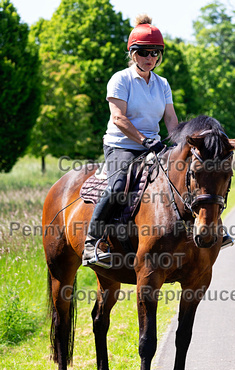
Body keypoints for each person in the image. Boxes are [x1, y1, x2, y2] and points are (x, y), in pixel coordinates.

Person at [82, 14, 178, 267]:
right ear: (133, 53)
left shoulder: (163, 83)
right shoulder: (120, 79)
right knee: (117, 187)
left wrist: (178, 144)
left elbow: (170, 118)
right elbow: (118, 118)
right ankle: (92, 242)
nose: (151, 58)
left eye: (155, 53)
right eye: (145, 52)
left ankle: (207, 233)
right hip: (122, 145)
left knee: (186, 176)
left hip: (154, 146)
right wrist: (145, 141)